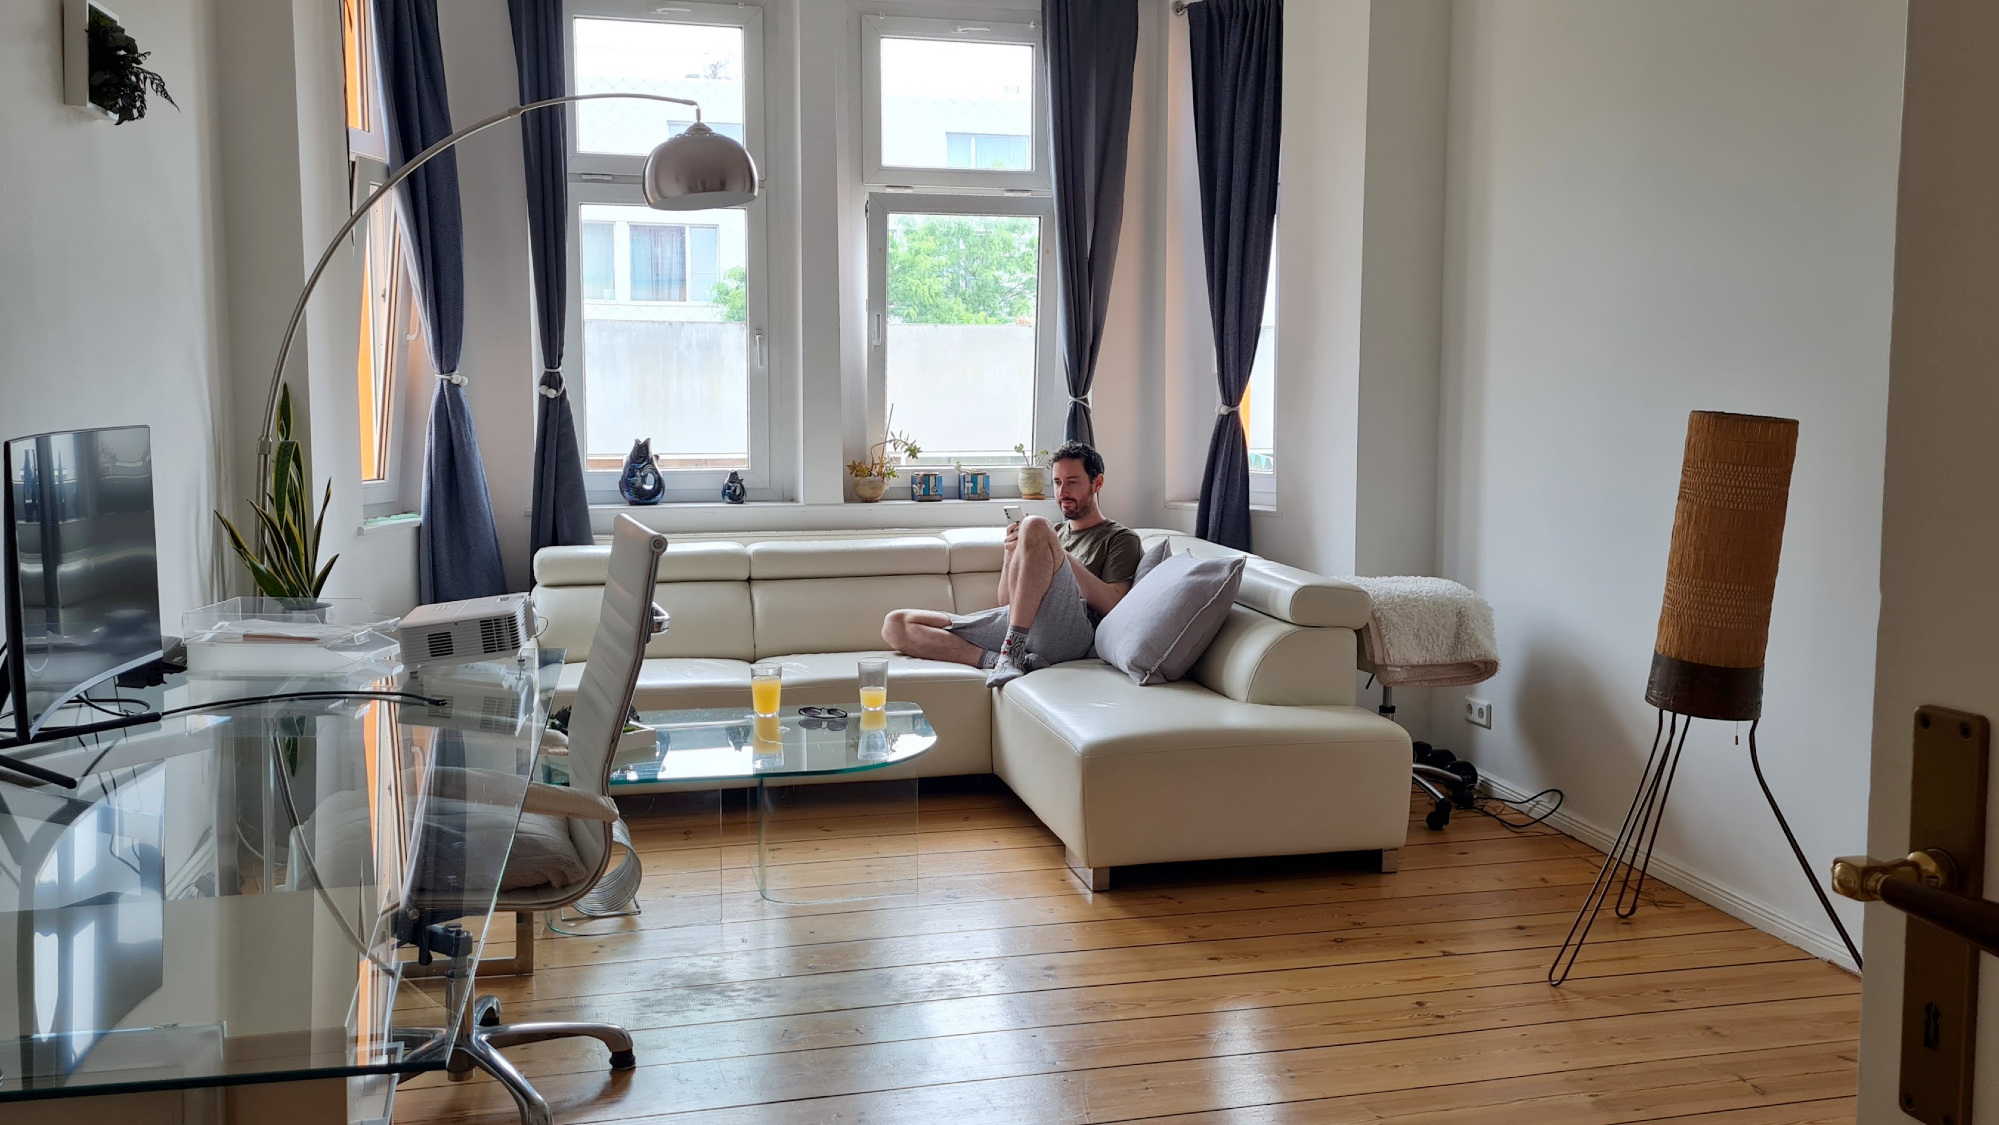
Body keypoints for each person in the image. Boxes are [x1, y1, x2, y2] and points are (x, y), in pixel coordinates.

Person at [882, 441, 1145, 687]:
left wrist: (1058, 552)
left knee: (1035, 523)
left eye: (1072, 482)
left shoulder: (1120, 538)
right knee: (897, 624)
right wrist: (1011, 555)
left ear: (1097, 483)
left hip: (1071, 633)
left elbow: (1115, 605)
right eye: (1057, 482)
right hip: (1022, 626)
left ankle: (1012, 650)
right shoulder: (1053, 532)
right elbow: (1006, 601)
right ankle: (1001, 660)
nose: (1062, 492)